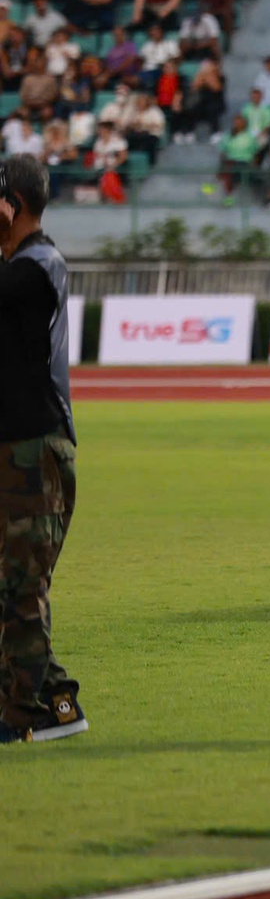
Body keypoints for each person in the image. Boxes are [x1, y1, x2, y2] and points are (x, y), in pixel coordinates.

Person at [0, 156, 83, 742]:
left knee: (21, 588)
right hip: (14, 449)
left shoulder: (39, 266)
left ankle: (24, 716)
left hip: (35, 451)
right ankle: (54, 704)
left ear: (15, 204)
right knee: (12, 586)